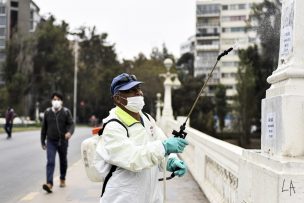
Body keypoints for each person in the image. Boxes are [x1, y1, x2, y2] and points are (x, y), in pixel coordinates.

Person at [95, 73, 189, 203]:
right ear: (117, 99)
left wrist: (171, 161)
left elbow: (161, 143)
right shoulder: (113, 127)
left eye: (138, 88)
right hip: (122, 198)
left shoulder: (148, 119)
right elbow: (133, 158)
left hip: (150, 196)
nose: (138, 93)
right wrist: (164, 147)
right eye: (131, 91)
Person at [41, 92, 75, 193]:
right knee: (50, 161)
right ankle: (49, 183)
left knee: (63, 161)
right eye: (54, 99)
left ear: (61, 101)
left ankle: (62, 179)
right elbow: (44, 128)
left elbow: (71, 124)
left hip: (63, 141)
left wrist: (69, 133)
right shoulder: (47, 112)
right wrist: (42, 141)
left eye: (58, 99)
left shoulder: (66, 112)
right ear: (51, 101)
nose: (56, 101)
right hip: (51, 141)